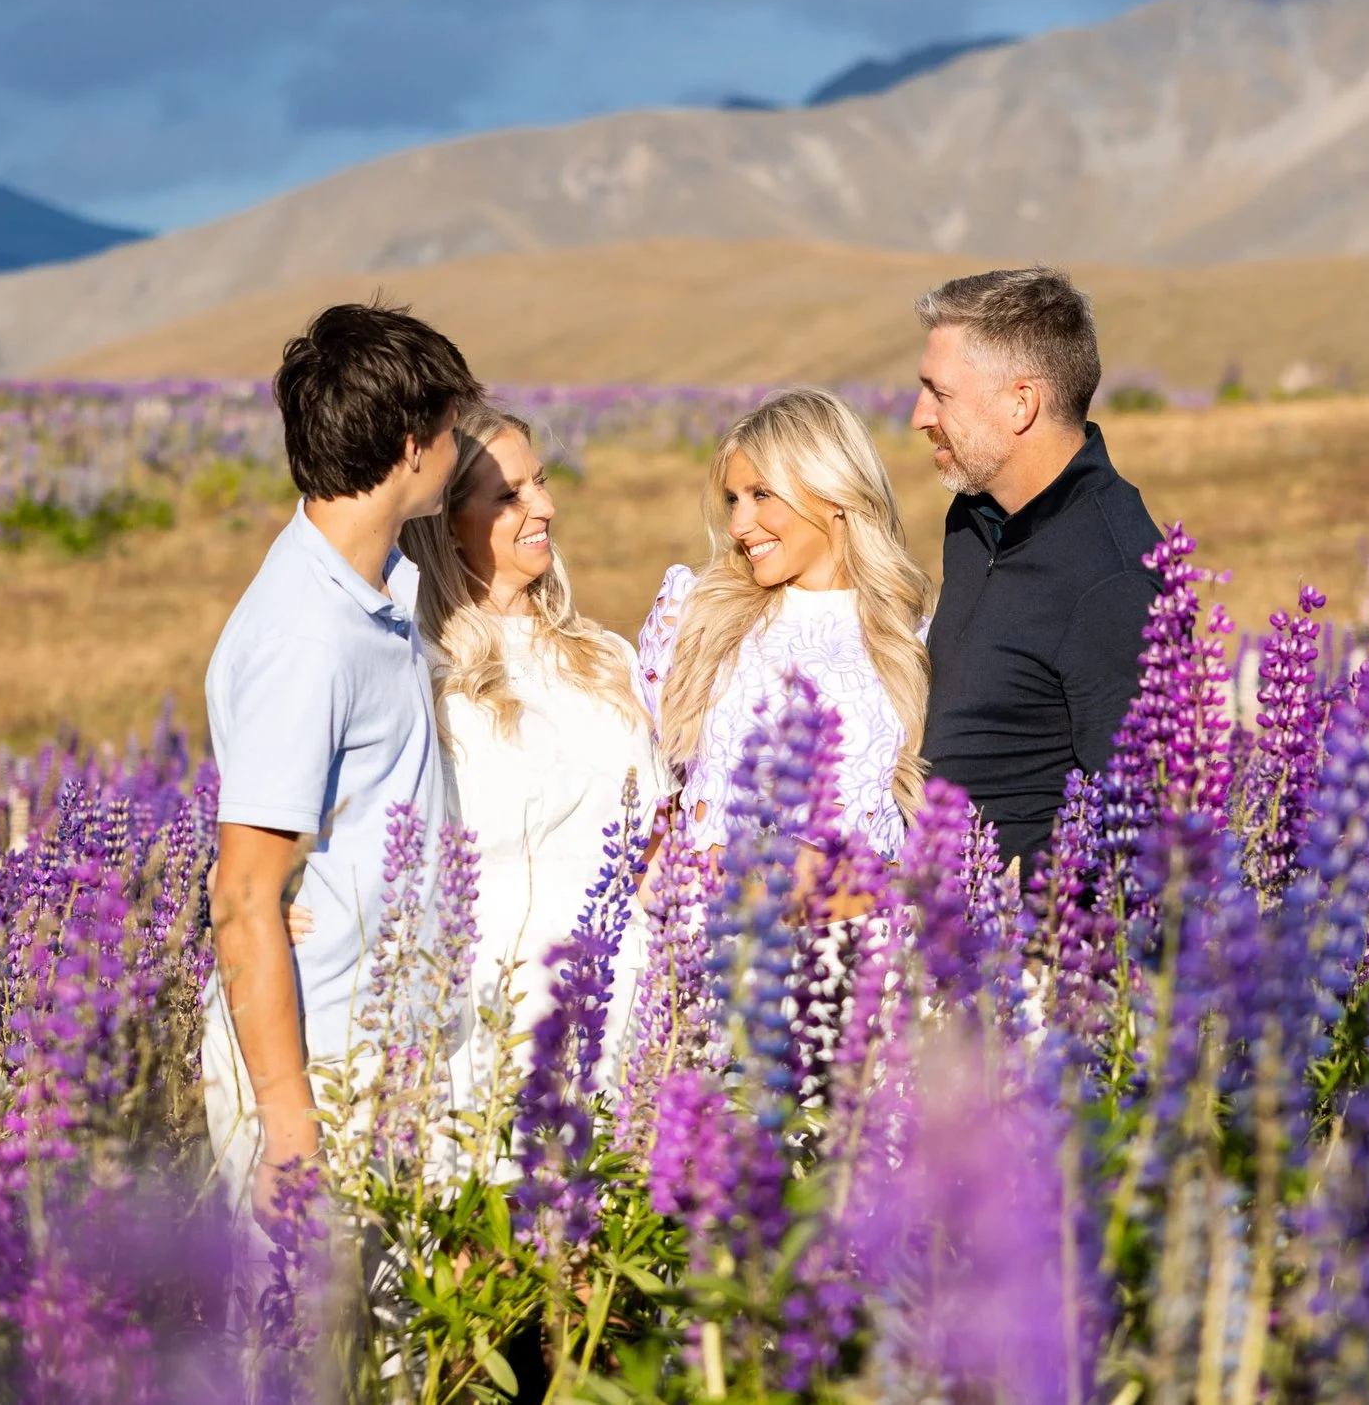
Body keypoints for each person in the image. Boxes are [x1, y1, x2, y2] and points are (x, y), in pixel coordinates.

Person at [199, 301, 480, 1246]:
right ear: (409, 447)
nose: (459, 449)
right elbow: (243, 895)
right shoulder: (305, 638)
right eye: (449, 430)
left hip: (385, 1043)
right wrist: (290, 1132)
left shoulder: (374, 589)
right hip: (320, 1061)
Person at [396, 404, 664, 1089]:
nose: (544, 504)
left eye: (540, 482)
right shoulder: (423, 672)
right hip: (494, 1011)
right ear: (448, 526)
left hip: (626, 995)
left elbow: (657, 844)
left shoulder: (605, 656)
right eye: (510, 495)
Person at [913, 267, 1164, 880]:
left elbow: (1137, 833)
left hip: (1029, 952)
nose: (920, 415)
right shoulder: (975, 516)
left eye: (939, 394)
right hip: (939, 930)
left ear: (1021, 403)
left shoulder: (1116, 575)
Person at [637, 387, 931, 864]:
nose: (738, 525)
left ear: (834, 493)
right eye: (733, 499)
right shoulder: (696, 611)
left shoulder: (909, 637)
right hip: (714, 929)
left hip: (860, 933)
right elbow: (643, 788)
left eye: (761, 495)